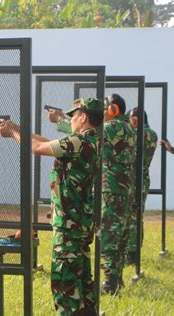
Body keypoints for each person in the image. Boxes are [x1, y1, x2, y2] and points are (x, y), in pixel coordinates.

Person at [0, 98, 104, 315]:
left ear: (83, 117)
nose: (71, 120)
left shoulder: (79, 142)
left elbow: (36, 148)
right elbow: (46, 142)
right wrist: (16, 128)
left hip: (69, 225)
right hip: (79, 222)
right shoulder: (91, 141)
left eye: (73, 116)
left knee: (66, 284)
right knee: (82, 282)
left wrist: (12, 134)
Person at [47, 94, 136, 295]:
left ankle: (110, 284)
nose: (103, 113)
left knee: (109, 236)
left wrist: (61, 120)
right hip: (121, 188)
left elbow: (89, 136)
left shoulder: (114, 128)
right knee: (118, 234)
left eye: (106, 108)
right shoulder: (128, 127)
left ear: (114, 110)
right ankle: (116, 279)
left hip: (111, 188)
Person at [125, 108, 158, 264]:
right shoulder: (148, 134)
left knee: (134, 216)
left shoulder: (146, 134)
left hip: (136, 180)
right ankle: (129, 252)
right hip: (134, 180)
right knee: (131, 216)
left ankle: (132, 253)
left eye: (131, 119)